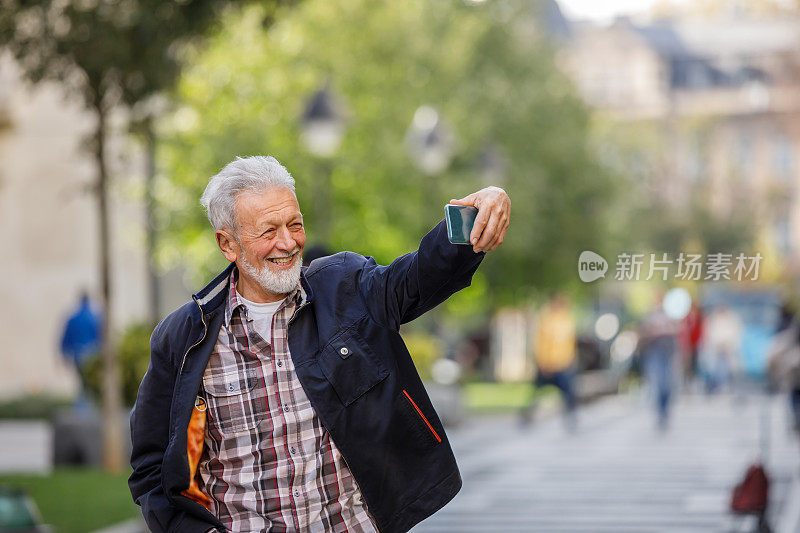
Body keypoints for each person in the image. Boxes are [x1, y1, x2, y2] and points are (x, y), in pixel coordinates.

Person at [128, 156, 510, 533]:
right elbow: (152, 469)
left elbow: (417, 278)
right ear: (228, 244)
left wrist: (475, 214)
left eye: (295, 224)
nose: (288, 242)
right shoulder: (183, 339)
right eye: (268, 231)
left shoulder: (346, 286)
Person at [521, 293, 577, 428]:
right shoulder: (545, 319)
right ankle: (527, 415)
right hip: (547, 365)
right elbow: (540, 343)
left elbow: (570, 343)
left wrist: (571, 360)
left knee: (569, 393)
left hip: (563, 365)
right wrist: (542, 363)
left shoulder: (566, 318)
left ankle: (571, 417)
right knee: (536, 392)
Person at [639, 294, 679, 430]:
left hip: (667, 354)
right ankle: (660, 413)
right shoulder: (649, 319)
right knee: (658, 384)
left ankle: (665, 411)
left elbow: (676, 335)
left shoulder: (670, 318)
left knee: (667, 386)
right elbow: (643, 336)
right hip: (654, 354)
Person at [59, 291, 102, 396]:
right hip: (93, 354)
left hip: (77, 354)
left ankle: (83, 408)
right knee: (90, 384)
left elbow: (65, 338)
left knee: (83, 384)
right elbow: (101, 337)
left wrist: (64, 354)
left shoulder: (73, 318)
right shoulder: (94, 317)